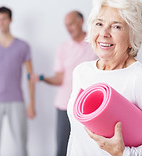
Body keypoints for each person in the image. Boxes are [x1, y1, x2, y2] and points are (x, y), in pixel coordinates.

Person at [67, 0, 142, 155]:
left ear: (132, 37)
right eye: (99, 24)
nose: (104, 33)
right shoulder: (82, 71)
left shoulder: (137, 77)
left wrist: (123, 153)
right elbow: (76, 135)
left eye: (116, 26)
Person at [31, 11, 97, 156]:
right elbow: (59, 78)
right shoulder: (63, 48)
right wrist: (42, 77)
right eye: (66, 25)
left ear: (81, 21)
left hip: (89, 107)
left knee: (90, 147)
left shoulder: (95, 43)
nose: (68, 28)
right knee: (62, 148)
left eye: (71, 23)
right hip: (64, 105)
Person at [0, 6, 36, 156]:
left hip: (16, 100)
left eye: (3, 19)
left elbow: (30, 76)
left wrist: (32, 103)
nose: (0, 23)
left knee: (21, 144)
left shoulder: (23, 46)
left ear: (10, 20)